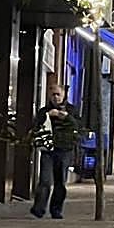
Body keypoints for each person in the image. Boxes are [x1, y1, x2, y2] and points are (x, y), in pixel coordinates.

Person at [31, 83, 79, 219]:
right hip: (48, 149)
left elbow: (78, 126)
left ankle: (56, 210)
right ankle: (39, 208)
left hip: (64, 150)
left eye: (58, 94)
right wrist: (47, 115)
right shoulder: (43, 111)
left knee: (60, 182)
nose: (56, 97)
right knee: (45, 180)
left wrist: (67, 117)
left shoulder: (72, 110)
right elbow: (36, 125)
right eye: (53, 94)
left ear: (64, 95)